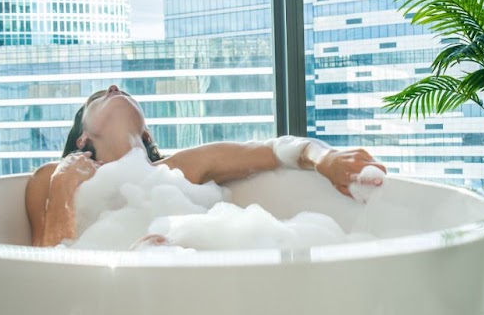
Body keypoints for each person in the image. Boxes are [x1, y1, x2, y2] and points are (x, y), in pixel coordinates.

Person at [24, 85, 381, 247]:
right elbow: (45, 270)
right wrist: (61, 191)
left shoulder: (179, 169)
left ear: (146, 132)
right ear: (83, 138)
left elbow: (275, 150)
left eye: (122, 93)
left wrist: (326, 159)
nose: (115, 87)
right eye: (99, 96)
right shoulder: (54, 177)